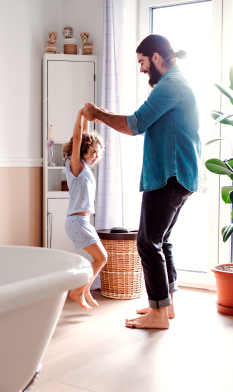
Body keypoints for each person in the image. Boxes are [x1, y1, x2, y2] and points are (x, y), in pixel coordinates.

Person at [82, 34, 201, 329]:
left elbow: (135, 124)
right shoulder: (176, 83)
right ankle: (166, 306)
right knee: (161, 241)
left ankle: (159, 313)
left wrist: (97, 113)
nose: (141, 69)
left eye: (143, 62)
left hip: (168, 176)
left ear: (157, 57)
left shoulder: (170, 85)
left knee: (147, 242)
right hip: (179, 176)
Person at [62, 108, 108, 310]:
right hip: (77, 222)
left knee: (99, 258)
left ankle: (85, 289)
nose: (97, 155)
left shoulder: (85, 168)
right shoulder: (76, 166)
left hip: (82, 221)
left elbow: (86, 136)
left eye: (99, 152)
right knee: (102, 257)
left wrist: (88, 119)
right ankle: (78, 290)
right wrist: (80, 115)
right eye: (93, 151)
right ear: (82, 150)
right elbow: (79, 137)